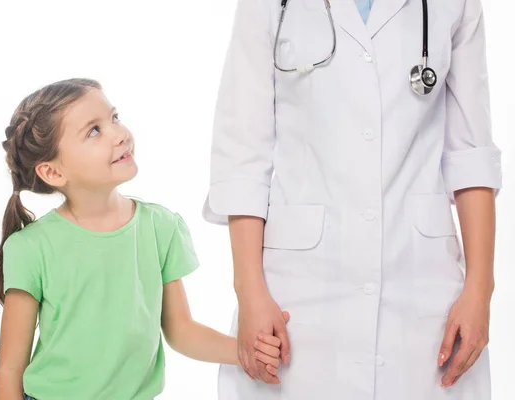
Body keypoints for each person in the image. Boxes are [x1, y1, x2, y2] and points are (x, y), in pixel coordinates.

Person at [203, 0, 502, 398]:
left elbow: (471, 153)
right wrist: (249, 290)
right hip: (298, 291)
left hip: (421, 288)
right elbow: (243, 156)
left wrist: (481, 289)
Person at [0, 78, 285, 400]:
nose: (119, 134)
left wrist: (246, 351)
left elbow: (181, 331)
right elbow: (10, 368)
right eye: (93, 130)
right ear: (54, 173)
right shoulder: (31, 247)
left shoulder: (160, 227)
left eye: (114, 118)